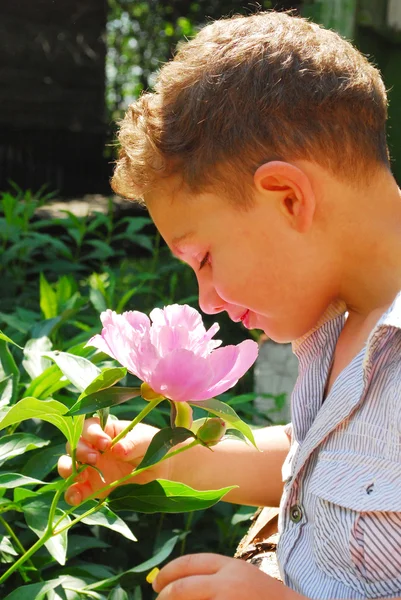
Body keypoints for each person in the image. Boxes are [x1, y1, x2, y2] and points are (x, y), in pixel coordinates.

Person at [58, 10, 401, 600]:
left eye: (205, 257)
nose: (206, 299)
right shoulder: (341, 325)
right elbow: (328, 460)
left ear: (288, 198)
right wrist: (164, 461)